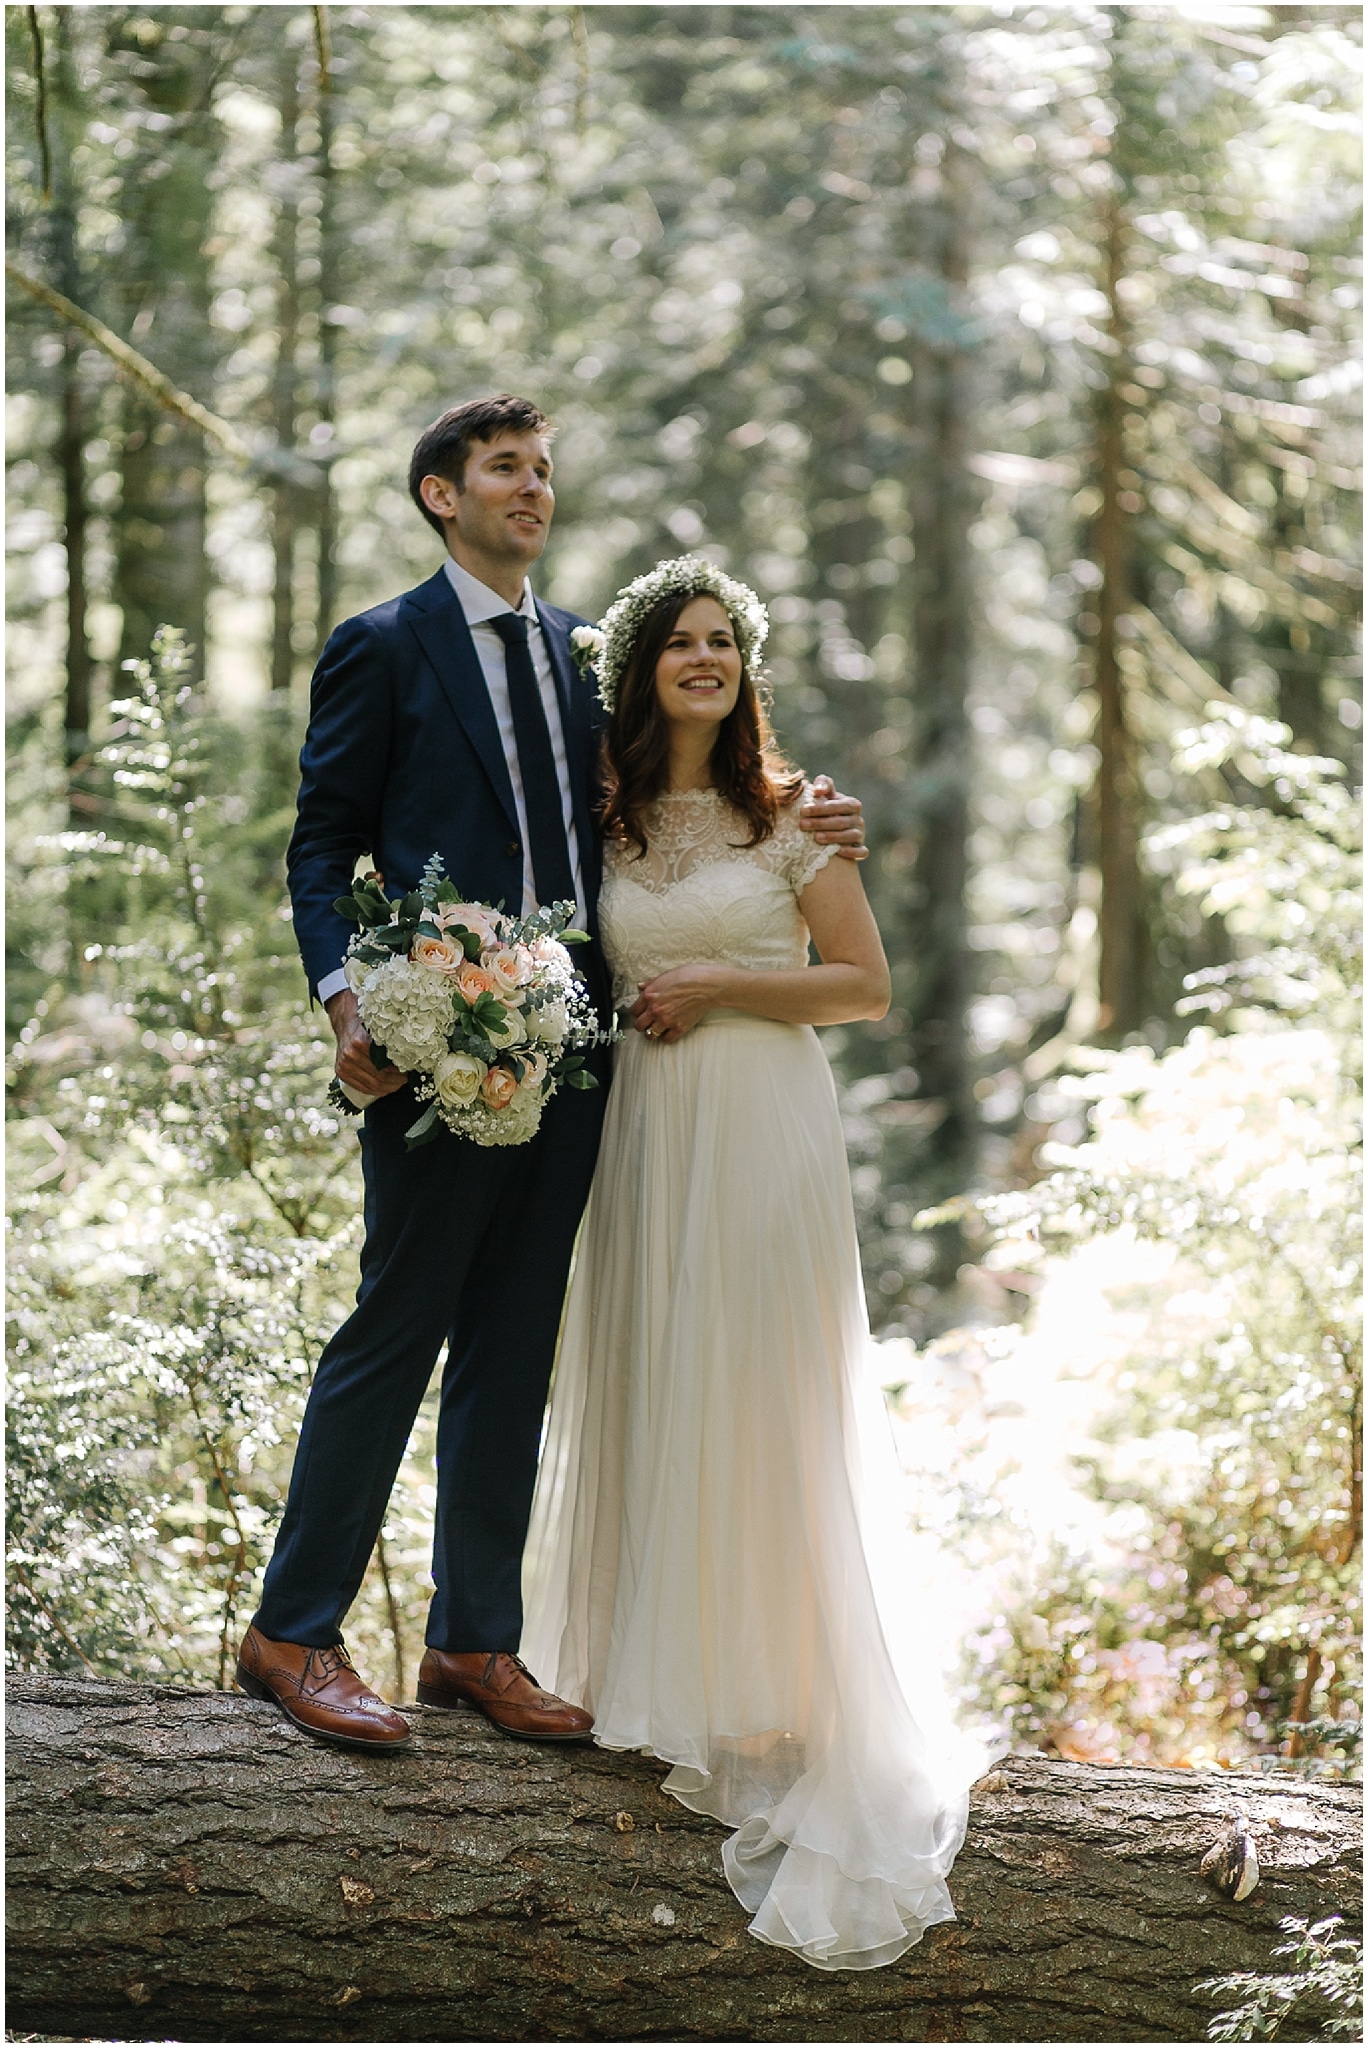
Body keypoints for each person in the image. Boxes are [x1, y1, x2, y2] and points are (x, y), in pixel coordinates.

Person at [235, 395, 868, 1750]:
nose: (532, 489)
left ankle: (473, 1641)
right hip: (434, 1048)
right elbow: (320, 843)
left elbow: (684, 770)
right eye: (503, 470)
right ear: (438, 497)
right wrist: (349, 996)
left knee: (516, 1346)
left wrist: (808, 810)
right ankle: (293, 1630)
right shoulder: (383, 648)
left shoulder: (584, 656)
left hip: (582, 1060)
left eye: (541, 471)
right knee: (397, 1328)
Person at [520, 557, 980, 1970]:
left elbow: (863, 985)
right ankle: (653, 1683)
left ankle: (783, 1693)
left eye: (724, 641)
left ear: (745, 666)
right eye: (681, 642)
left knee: (762, 1393)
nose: (704, 659)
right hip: (647, 1136)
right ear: (644, 666)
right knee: (661, 1372)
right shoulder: (597, 811)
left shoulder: (792, 813)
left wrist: (721, 983)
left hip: (764, 1122)